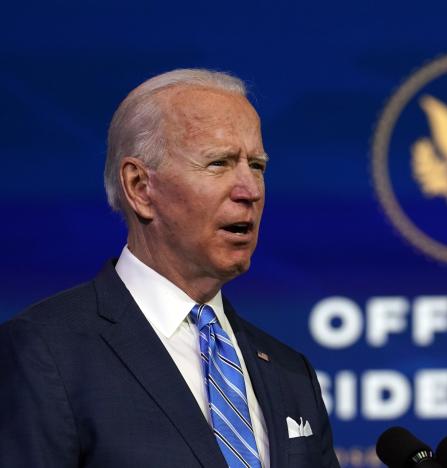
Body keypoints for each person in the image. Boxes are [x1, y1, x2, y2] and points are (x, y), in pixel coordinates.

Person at [0, 69, 340, 468]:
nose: (250, 190)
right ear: (140, 187)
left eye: (258, 166)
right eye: (219, 163)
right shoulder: (44, 352)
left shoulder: (290, 372)